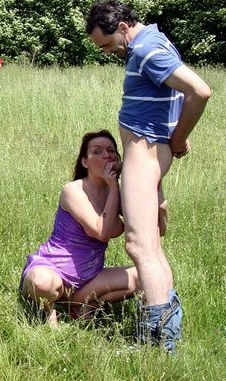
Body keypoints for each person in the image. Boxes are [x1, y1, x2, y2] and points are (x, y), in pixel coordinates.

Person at [85, 0, 211, 352]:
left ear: (123, 27)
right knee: (152, 245)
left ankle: (157, 341)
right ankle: (169, 332)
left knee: (139, 246)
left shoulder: (146, 49)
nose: (108, 52)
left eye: (108, 44)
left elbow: (199, 91)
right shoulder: (151, 42)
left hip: (145, 153)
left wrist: (180, 137)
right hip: (144, 154)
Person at [20, 130, 139, 328]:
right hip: (53, 271)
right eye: (97, 151)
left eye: (111, 151)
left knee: (145, 277)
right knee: (40, 282)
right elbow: (100, 233)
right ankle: (50, 311)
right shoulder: (73, 190)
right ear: (85, 162)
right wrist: (113, 187)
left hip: (90, 278)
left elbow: (154, 228)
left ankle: (82, 303)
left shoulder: (115, 194)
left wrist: (155, 192)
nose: (106, 155)